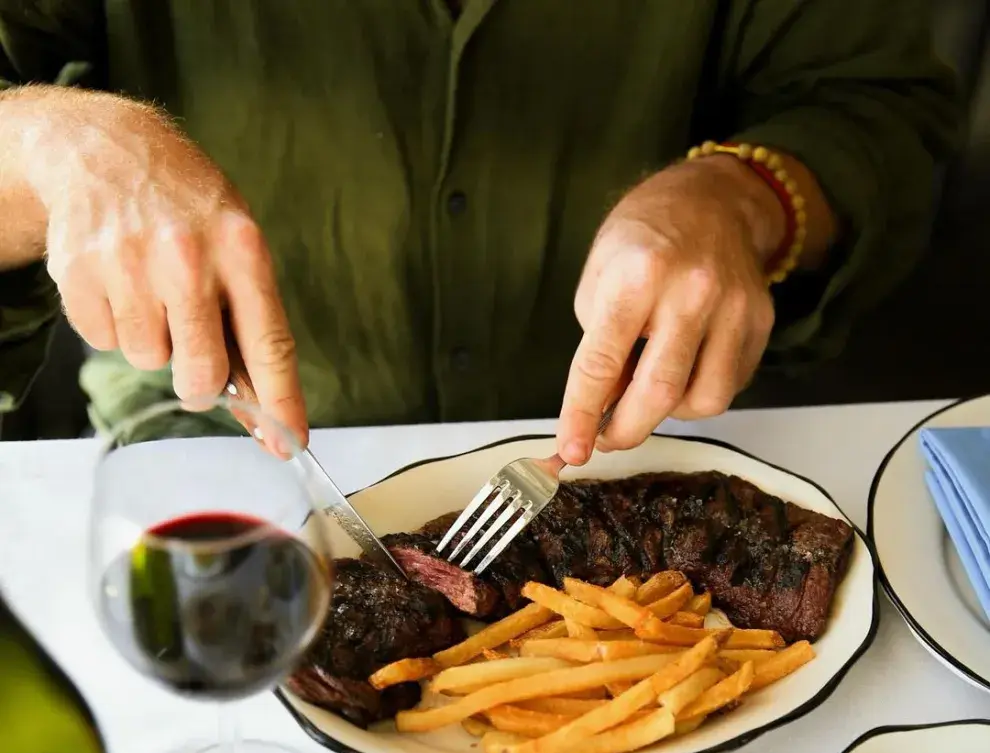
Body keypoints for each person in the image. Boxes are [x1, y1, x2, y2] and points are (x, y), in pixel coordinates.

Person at [0, 1, 958, 462]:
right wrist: (51, 140)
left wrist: (742, 197)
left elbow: (874, 108)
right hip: (207, 457)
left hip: (635, 450)